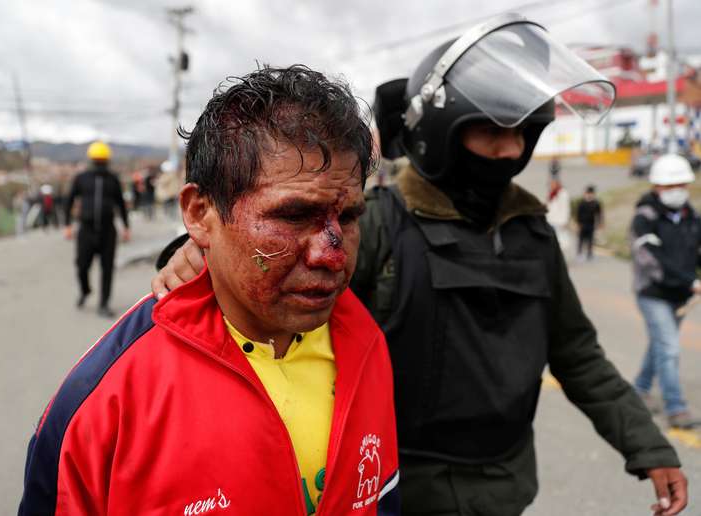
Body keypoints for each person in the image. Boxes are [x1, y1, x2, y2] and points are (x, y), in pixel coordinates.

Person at [153, 14, 687, 516]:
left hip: (506, 486)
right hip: (392, 486)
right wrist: (196, 252)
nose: (509, 151)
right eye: (492, 132)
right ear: (444, 133)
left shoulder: (533, 233)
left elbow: (577, 354)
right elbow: (266, 295)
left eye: (522, 134)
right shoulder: (377, 224)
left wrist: (645, 444)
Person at [19, 65, 400, 516]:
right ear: (200, 214)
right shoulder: (107, 396)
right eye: (294, 216)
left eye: (350, 218)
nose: (333, 254)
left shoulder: (366, 343)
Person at [631, 153, 701, 430]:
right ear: (656, 186)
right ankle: (676, 408)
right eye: (670, 186)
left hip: (680, 295)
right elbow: (651, 261)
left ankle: (639, 389)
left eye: (681, 185)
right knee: (669, 347)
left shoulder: (692, 216)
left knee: (661, 343)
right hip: (653, 294)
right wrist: (690, 282)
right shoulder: (644, 218)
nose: (676, 190)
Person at [63, 141, 130, 317]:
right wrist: (67, 225)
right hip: (86, 229)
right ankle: (85, 290)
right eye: (97, 160)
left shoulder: (113, 179)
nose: (100, 164)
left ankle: (104, 304)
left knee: (107, 269)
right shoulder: (81, 178)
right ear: (92, 160)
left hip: (108, 231)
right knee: (81, 265)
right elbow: (69, 200)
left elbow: (121, 204)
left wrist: (126, 226)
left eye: (102, 160)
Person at [575, 184, 603, 260]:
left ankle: (589, 254)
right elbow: (578, 214)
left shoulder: (596, 203)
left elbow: (599, 214)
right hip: (582, 224)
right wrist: (578, 223)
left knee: (590, 240)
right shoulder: (582, 203)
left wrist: (600, 223)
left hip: (591, 224)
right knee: (581, 239)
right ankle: (579, 253)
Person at [546, 177, 571, 252]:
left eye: (553, 184)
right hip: (551, 219)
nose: (551, 186)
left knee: (561, 239)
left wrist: (565, 220)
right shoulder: (552, 193)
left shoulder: (563, 194)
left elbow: (565, 208)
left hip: (560, 220)